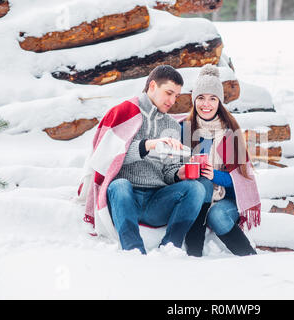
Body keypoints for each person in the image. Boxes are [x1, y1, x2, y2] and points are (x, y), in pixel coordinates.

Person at [80, 65, 211, 255]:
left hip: (156, 201)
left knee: (196, 188)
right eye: (169, 93)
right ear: (152, 86)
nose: (173, 100)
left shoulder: (172, 126)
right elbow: (108, 159)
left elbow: (168, 172)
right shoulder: (126, 113)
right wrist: (148, 145)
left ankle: (171, 247)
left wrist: (178, 173)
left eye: (176, 96)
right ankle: (133, 249)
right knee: (120, 185)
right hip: (125, 197)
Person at [182, 64, 261, 257]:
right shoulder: (184, 129)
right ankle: (193, 258)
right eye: (201, 98)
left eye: (212, 98)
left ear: (219, 102)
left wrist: (214, 175)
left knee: (217, 215)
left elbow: (242, 180)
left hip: (226, 199)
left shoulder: (229, 133)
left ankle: (249, 257)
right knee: (201, 188)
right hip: (195, 195)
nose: (206, 104)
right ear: (194, 100)